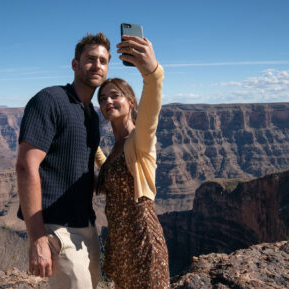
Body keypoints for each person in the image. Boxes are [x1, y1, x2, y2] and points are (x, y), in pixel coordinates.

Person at [16, 32, 111, 289]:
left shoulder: (91, 116)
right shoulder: (50, 100)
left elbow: (79, 171)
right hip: (56, 228)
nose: (97, 65)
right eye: (90, 59)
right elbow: (26, 166)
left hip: (86, 226)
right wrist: (37, 238)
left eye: (103, 61)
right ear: (75, 64)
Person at [95, 35, 170, 289]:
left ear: (131, 101)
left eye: (114, 96)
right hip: (121, 245)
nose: (107, 102)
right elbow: (111, 171)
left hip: (142, 240)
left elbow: (151, 111)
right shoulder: (117, 147)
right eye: (102, 99)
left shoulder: (140, 140)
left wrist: (152, 74)